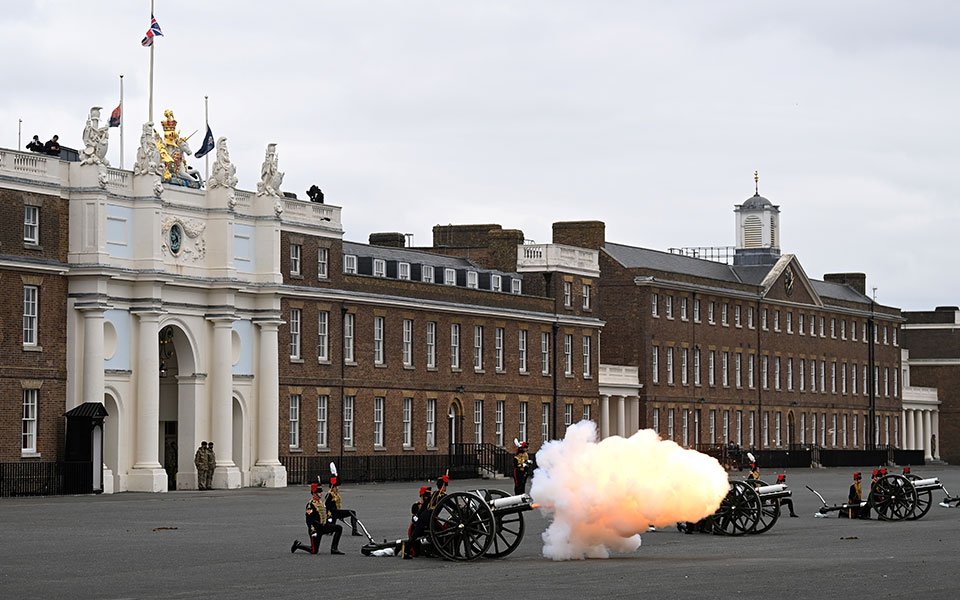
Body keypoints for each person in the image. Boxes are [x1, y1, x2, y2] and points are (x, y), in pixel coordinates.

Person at [404, 474, 449, 559]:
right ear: (444, 486)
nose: (446, 487)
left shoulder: (435, 494)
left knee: (415, 535)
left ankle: (406, 552)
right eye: (445, 486)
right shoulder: (442, 495)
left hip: (425, 516)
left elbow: (425, 505)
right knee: (441, 533)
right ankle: (445, 552)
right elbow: (451, 505)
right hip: (428, 518)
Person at [292, 483, 344, 555]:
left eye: (321, 492)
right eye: (319, 492)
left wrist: (330, 519)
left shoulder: (321, 502)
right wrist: (313, 530)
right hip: (316, 528)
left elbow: (325, 513)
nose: (321, 494)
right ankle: (298, 545)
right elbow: (309, 520)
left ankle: (334, 548)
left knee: (339, 528)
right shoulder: (311, 505)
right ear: (314, 493)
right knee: (314, 551)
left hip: (323, 526)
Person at [325, 472, 361, 536]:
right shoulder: (329, 495)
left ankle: (354, 530)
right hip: (333, 513)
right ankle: (354, 531)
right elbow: (327, 506)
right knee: (351, 512)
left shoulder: (336, 493)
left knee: (352, 512)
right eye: (337, 486)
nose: (338, 488)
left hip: (337, 512)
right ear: (333, 487)